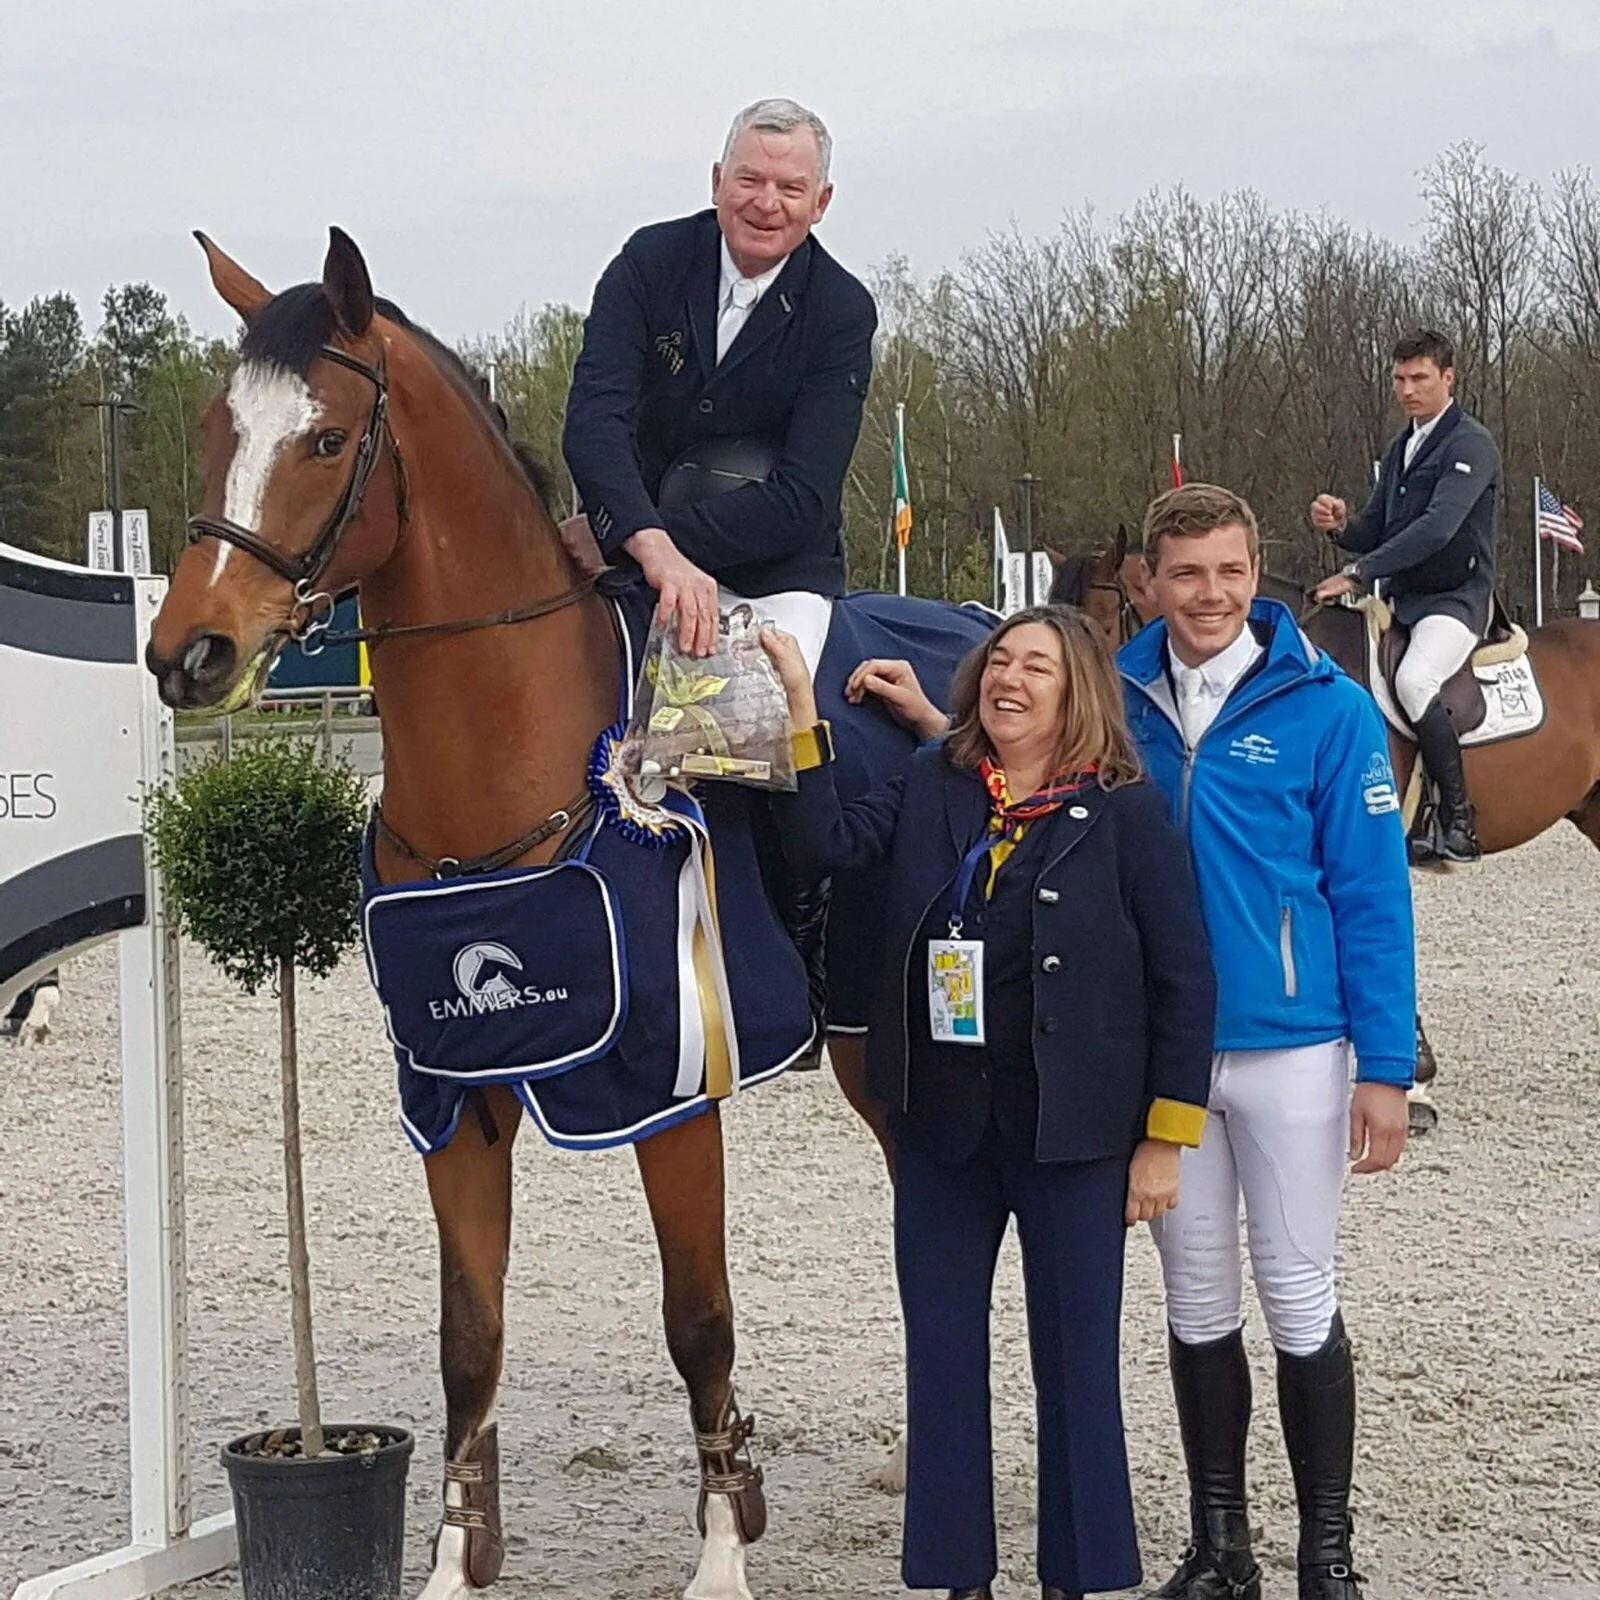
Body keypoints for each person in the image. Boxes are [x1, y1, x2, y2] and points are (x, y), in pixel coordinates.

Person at [762, 606, 1216, 1600]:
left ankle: (1075, 1580)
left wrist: (1165, 1138)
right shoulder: (936, 780)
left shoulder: (1127, 811)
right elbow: (824, 845)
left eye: (1036, 668)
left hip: (1076, 1136)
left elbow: (1184, 979)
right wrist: (800, 707)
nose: (1009, 678)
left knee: (1077, 1366)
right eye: (1000, 661)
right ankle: (958, 1577)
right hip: (941, 1129)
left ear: (1077, 692)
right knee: (942, 1359)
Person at [1118, 484, 1415, 1600]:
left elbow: (1373, 896)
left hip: (1291, 1045)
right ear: (1151, 582)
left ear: (1256, 573)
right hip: (1166, 1051)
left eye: (1230, 572)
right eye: (1187, 573)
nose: (1211, 594)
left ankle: (1325, 1551)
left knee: (1296, 1292)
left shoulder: (1330, 709)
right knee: (1196, 1302)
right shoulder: (1115, 701)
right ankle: (1219, 1547)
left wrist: (1384, 1068)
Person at [562, 96, 876, 656]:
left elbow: (803, 498)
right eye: (750, 180)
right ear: (717, 182)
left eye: (790, 188)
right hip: (632, 556)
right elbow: (594, 420)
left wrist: (648, 538)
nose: (766, 203)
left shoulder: (841, 310)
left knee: (755, 710)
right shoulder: (648, 261)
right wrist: (642, 543)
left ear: (821, 202)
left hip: (772, 578)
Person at [1310, 330, 1502, 863]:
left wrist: (1358, 573)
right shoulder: (1403, 445)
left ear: (1448, 377)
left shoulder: (1470, 444)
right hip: (1405, 601)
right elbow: (1377, 529)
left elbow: (1439, 527)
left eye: (1419, 378)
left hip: (1456, 599)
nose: (1407, 390)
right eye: (1399, 379)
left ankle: (1459, 821)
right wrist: (1342, 525)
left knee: (1415, 681)